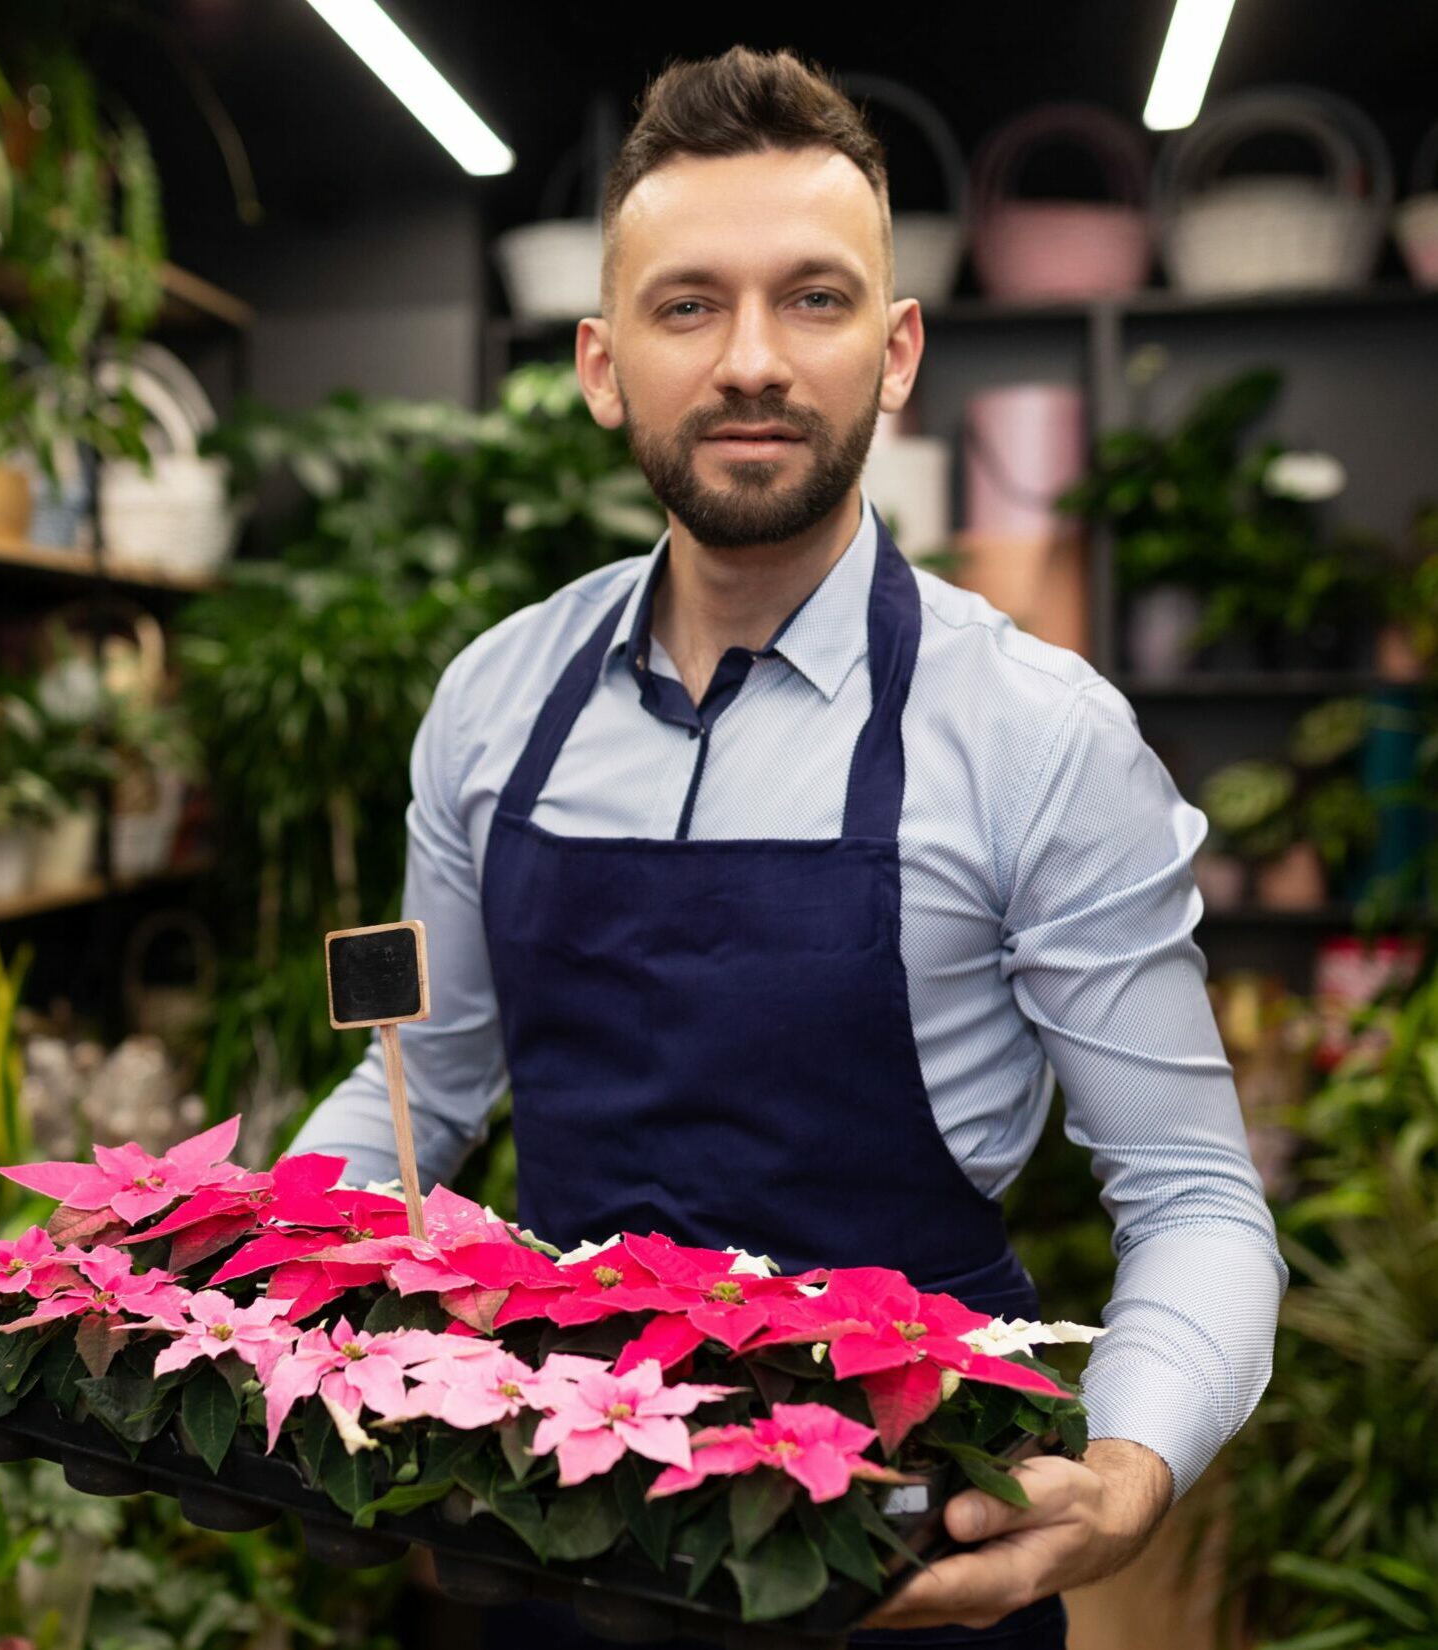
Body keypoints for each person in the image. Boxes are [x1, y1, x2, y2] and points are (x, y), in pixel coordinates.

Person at [287, 43, 1283, 1649]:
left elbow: (1191, 1196)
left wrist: (1126, 1468)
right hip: (557, 1538)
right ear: (604, 367)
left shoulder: (1041, 735)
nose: (753, 359)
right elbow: (426, 1085)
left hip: (907, 1558)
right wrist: (242, 1290)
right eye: (690, 307)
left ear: (895, 354)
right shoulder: (492, 702)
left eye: (813, 301)